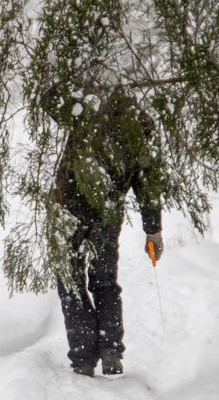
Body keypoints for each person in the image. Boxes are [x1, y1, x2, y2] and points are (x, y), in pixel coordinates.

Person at [47, 88, 164, 377]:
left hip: (69, 211)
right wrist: (153, 231)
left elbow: (50, 100)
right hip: (108, 216)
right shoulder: (140, 127)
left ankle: (84, 357)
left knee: (71, 284)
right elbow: (147, 185)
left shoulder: (85, 112)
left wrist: (59, 71)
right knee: (104, 282)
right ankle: (111, 349)